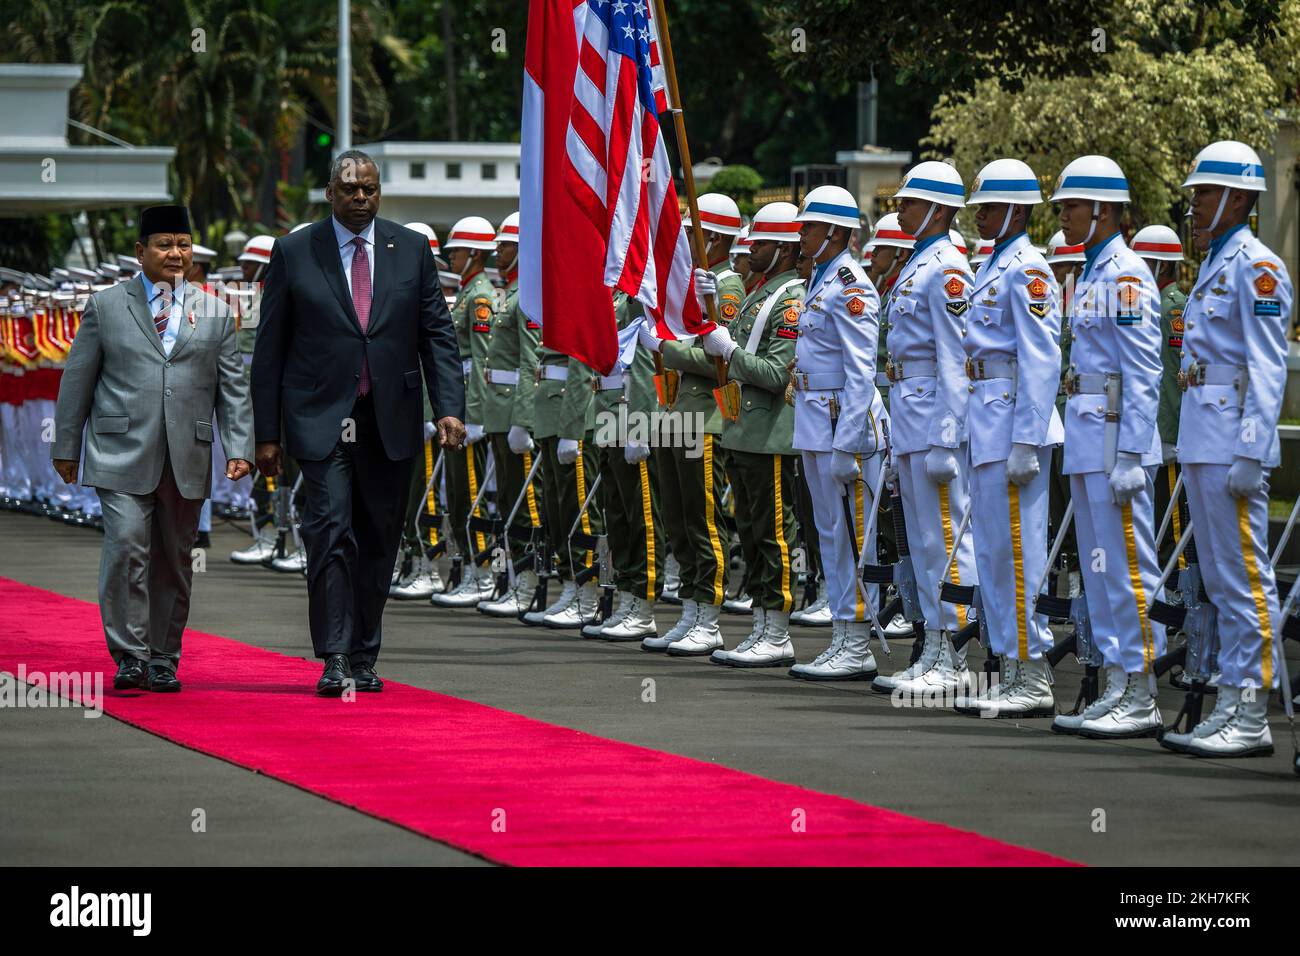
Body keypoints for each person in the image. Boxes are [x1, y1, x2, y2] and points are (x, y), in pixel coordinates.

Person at [251, 150, 465, 696]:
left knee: (378, 537)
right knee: (328, 530)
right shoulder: (296, 251)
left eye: (369, 189)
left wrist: (448, 409)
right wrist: (267, 436)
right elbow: (269, 348)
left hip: (389, 421)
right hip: (321, 421)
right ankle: (335, 655)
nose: (361, 198)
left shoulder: (411, 249)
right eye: (350, 190)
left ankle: (366, 653)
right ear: (330, 193)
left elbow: (436, 334)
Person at [51, 205, 254, 693]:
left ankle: (164, 656)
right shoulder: (105, 307)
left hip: (187, 453)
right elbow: (77, 380)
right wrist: (66, 444)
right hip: (119, 450)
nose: (175, 253)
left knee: (174, 558)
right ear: (140, 252)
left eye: (183, 244)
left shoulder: (217, 312)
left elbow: (233, 388)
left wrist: (239, 445)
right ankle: (130, 655)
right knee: (125, 550)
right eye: (164, 244)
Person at [1161, 141, 1293, 757]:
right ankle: (1232, 702)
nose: (1194, 206)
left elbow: (1268, 370)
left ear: (1239, 199)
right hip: (1204, 440)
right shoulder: (1218, 261)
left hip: (1231, 445)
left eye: (1205, 194)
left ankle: (1251, 710)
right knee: (1219, 578)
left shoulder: (1257, 266)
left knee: (1245, 579)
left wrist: (1250, 450)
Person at [1049, 156, 1166, 738]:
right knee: (1100, 573)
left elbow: (1144, 371)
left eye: (1070, 206)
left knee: (1127, 569)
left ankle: (1141, 687)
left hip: (1115, 441)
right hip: (1090, 437)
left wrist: (1130, 454)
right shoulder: (1095, 273)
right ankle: (1121, 682)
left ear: (1099, 210)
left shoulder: (1124, 275)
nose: (1063, 216)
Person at [950, 159, 1064, 718]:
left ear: (1018, 209)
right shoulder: (995, 264)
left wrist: (1027, 438)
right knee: (996, 553)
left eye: (990, 207)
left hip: (1012, 423)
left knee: (1020, 555)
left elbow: (1041, 358)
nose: (981, 216)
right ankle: (1010, 663)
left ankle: (1033, 673)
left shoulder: (1027, 267)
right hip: (987, 421)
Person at [870, 161, 979, 697]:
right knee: (922, 540)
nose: (900, 209)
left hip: (934, 419)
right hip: (911, 418)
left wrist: (945, 434)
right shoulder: (920, 264)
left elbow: (956, 359)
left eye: (909, 202)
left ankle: (954, 652)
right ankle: (935, 641)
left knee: (945, 541)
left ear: (938, 208)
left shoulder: (947, 269)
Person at [786, 184, 887, 681]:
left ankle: (856, 640)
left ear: (833, 232)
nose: (801, 233)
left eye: (809, 226)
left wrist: (848, 442)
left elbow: (861, 371)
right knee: (830, 533)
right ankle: (842, 636)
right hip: (815, 418)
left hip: (839, 423)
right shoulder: (821, 279)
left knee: (851, 537)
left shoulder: (850, 283)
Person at [638, 192, 745, 655]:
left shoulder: (725, 286)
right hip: (677, 416)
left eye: (688, 235)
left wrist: (665, 348)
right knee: (679, 521)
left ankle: (710, 613)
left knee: (703, 520)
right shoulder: (688, 285)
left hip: (705, 419)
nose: (680, 242)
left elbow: (719, 360)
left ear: (714, 238)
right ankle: (690, 609)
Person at [700, 201, 804, 666]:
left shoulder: (789, 298)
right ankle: (763, 622)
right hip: (743, 429)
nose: (750, 248)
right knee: (750, 528)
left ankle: (778, 627)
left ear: (782, 249)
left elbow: (776, 372)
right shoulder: (759, 292)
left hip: (769, 432)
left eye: (759, 243)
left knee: (772, 533)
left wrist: (730, 350)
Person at [431, 216, 498, 608]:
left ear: (473, 253)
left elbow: (483, 364)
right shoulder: (471, 292)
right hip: (463, 404)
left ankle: (481, 572)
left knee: (469, 494)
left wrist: (472, 416)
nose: (450, 257)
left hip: (470, 410)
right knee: (457, 494)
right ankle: (471, 567)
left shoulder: (481, 297)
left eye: (455, 251)